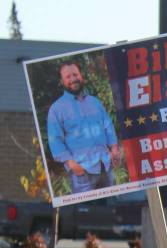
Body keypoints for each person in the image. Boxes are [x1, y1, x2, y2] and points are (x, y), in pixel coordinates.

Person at [46, 61, 121, 194]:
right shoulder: (56, 109)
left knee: (115, 207)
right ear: (62, 81)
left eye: (75, 74)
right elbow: (55, 140)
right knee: (86, 211)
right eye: (68, 77)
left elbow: (108, 126)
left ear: (81, 76)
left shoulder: (95, 102)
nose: (73, 79)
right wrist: (71, 164)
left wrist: (114, 149)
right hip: (82, 174)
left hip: (105, 166)